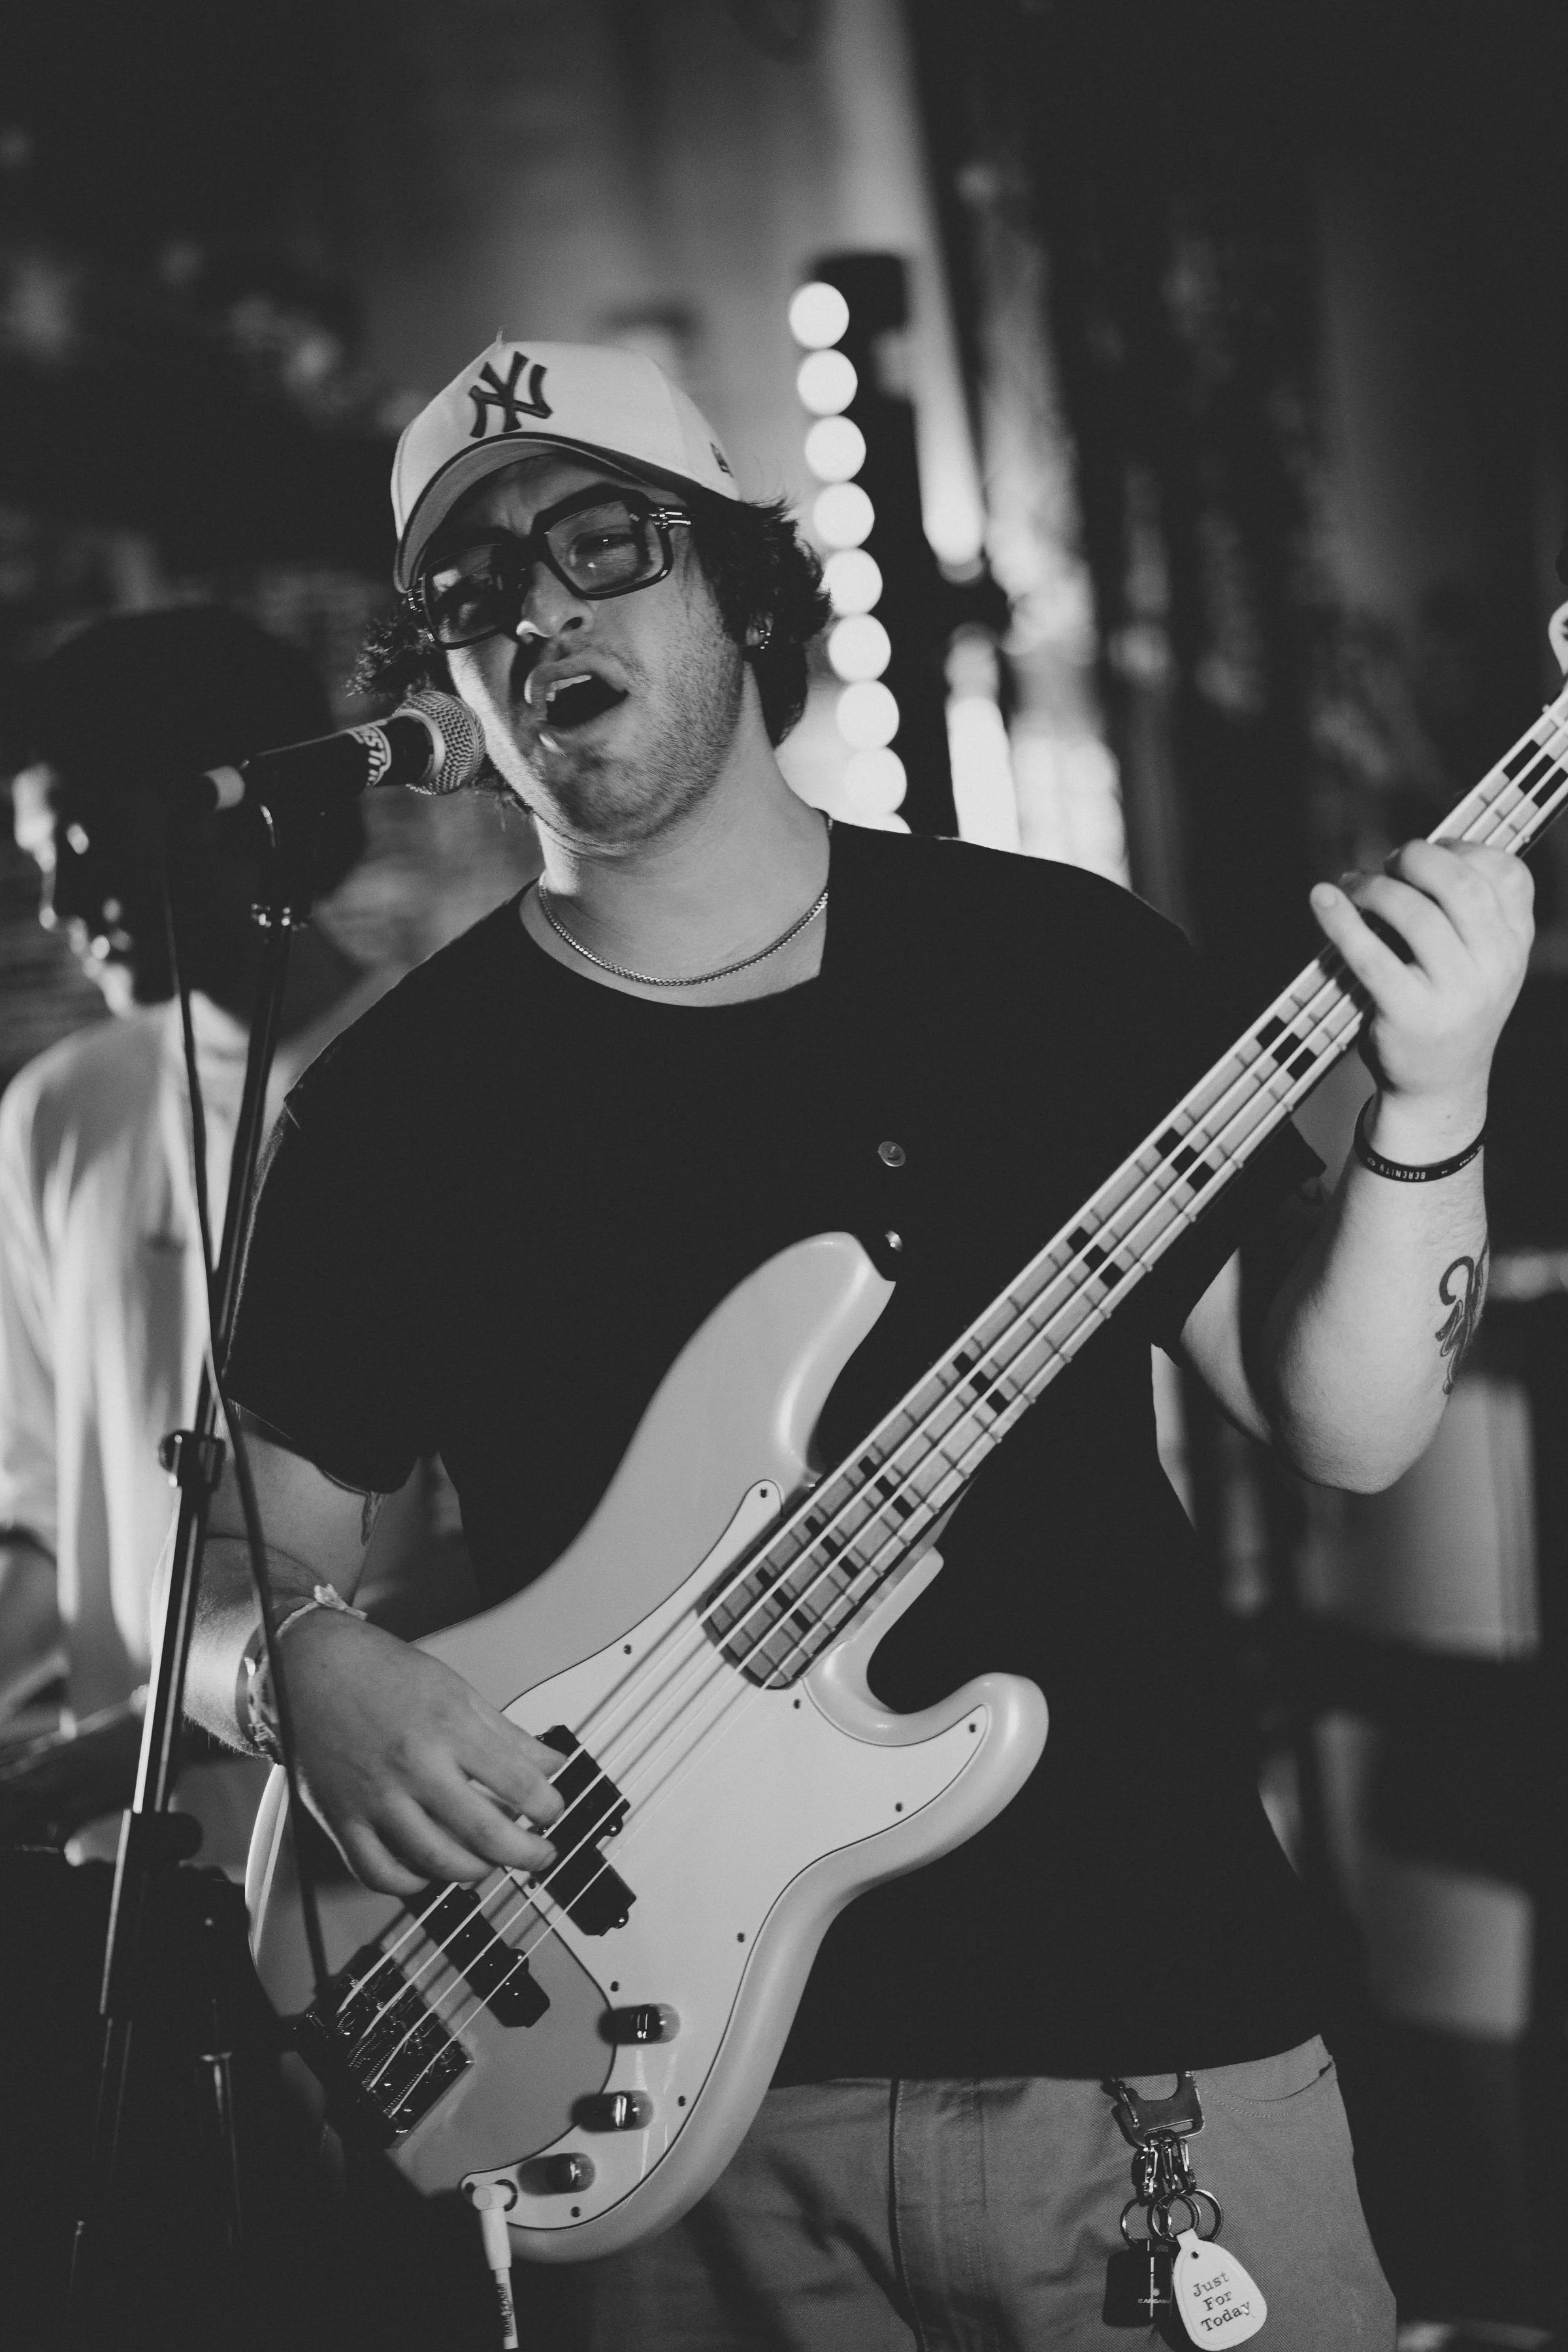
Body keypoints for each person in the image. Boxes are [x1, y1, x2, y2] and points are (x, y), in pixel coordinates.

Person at [185, 340, 1532, 2350]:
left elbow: (1340, 1422)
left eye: (603, 545)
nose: (541, 612)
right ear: (448, 684)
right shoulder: (395, 1106)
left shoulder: (1052, 965)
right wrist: (297, 1668)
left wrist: (1432, 1101)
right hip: (654, 2133)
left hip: (1139, 2054)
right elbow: (233, 1565)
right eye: (476, 598)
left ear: (738, 581)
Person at [0, 607, 466, 1861]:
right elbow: (38, 1505)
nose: (57, 901)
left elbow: (460, 1542)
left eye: (84, 842)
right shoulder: (57, 1116)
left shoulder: (445, 1087)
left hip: (372, 1852)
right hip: (121, 1867)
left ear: (227, 818)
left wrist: (177, 1723)